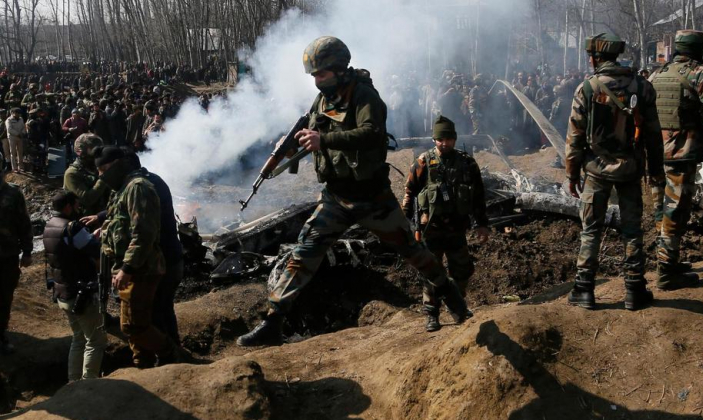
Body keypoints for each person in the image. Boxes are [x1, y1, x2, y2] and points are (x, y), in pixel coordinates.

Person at [236, 36, 471, 347]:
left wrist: (324, 140)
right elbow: (311, 125)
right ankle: (272, 321)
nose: (316, 81)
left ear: (338, 69)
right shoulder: (322, 100)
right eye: (314, 76)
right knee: (304, 252)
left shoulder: (364, 97)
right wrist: (290, 141)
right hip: (335, 196)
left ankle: (452, 298)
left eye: (321, 74)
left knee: (413, 252)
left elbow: (372, 134)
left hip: (372, 196)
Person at [565, 33, 664, 310]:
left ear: (595, 58)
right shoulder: (642, 87)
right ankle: (634, 289)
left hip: (596, 170)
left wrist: (572, 174)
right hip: (631, 169)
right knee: (632, 230)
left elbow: (574, 137)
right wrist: (655, 170)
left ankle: (584, 289)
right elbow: (654, 135)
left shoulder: (586, 88)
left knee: (591, 229)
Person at [95, 146, 188, 367]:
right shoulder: (125, 187)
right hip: (136, 264)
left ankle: (170, 357)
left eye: (105, 170)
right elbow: (120, 217)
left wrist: (127, 267)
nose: (101, 177)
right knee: (141, 317)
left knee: (144, 319)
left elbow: (144, 231)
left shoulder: (139, 187)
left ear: (119, 165)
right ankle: (145, 360)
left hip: (147, 266)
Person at [649, 30, 703, 288]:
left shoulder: (657, 74)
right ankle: (667, 273)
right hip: (681, 154)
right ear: (699, 50)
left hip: (654, 153)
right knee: (676, 210)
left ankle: (666, 261)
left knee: (661, 209)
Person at [402, 115, 489, 331]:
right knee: (432, 273)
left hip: (456, 229)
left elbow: (478, 196)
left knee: (461, 272)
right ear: (434, 140)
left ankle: (458, 308)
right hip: (430, 230)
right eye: (441, 139)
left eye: (449, 139)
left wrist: (482, 224)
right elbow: (409, 192)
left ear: (455, 139)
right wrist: (406, 225)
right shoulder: (423, 162)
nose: (445, 143)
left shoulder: (467, 163)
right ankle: (431, 314)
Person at [43, 191, 107, 381]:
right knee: (96, 341)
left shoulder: (49, 226)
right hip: (81, 293)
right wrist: (98, 236)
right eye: (77, 205)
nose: (79, 209)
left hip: (63, 291)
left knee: (79, 338)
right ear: (69, 206)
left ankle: (73, 383)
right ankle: (89, 383)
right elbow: (94, 251)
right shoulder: (73, 228)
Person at [0, 151, 33, 353]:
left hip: (7, 256)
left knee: (4, 297)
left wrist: (28, 251)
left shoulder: (13, 193)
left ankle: (1, 334)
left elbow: (24, 223)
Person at [64, 134, 109, 216]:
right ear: (81, 153)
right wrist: (103, 177)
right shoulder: (72, 173)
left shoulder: (96, 168)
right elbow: (87, 199)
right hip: (85, 221)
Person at [5, 108, 26, 173]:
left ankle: (21, 166)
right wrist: (17, 134)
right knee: (13, 152)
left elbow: (23, 127)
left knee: (20, 152)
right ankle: (14, 168)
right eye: (17, 113)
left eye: (19, 113)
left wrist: (23, 133)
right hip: (12, 137)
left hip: (20, 137)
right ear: (13, 113)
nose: (18, 114)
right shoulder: (9, 120)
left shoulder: (21, 119)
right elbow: (9, 129)